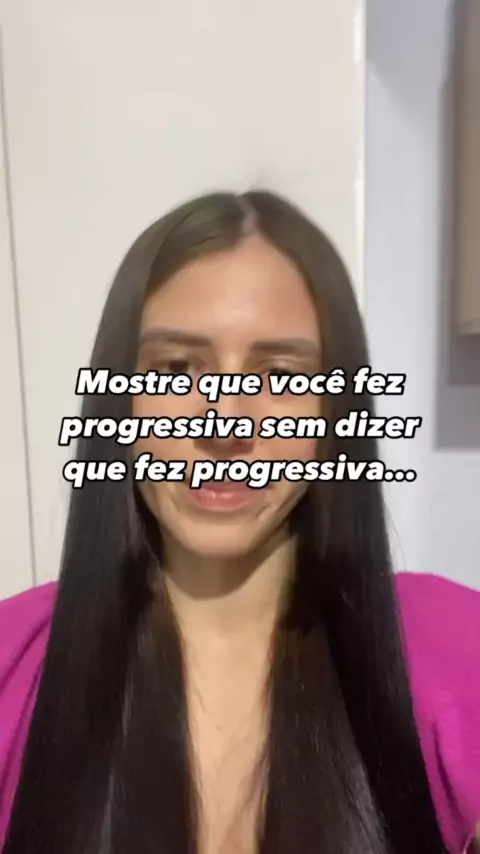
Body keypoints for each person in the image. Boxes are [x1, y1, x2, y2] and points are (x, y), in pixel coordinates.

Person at [0, 191, 478, 854]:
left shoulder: (453, 647)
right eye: (176, 369)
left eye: (280, 376)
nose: (225, 425)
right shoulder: (14, 658)